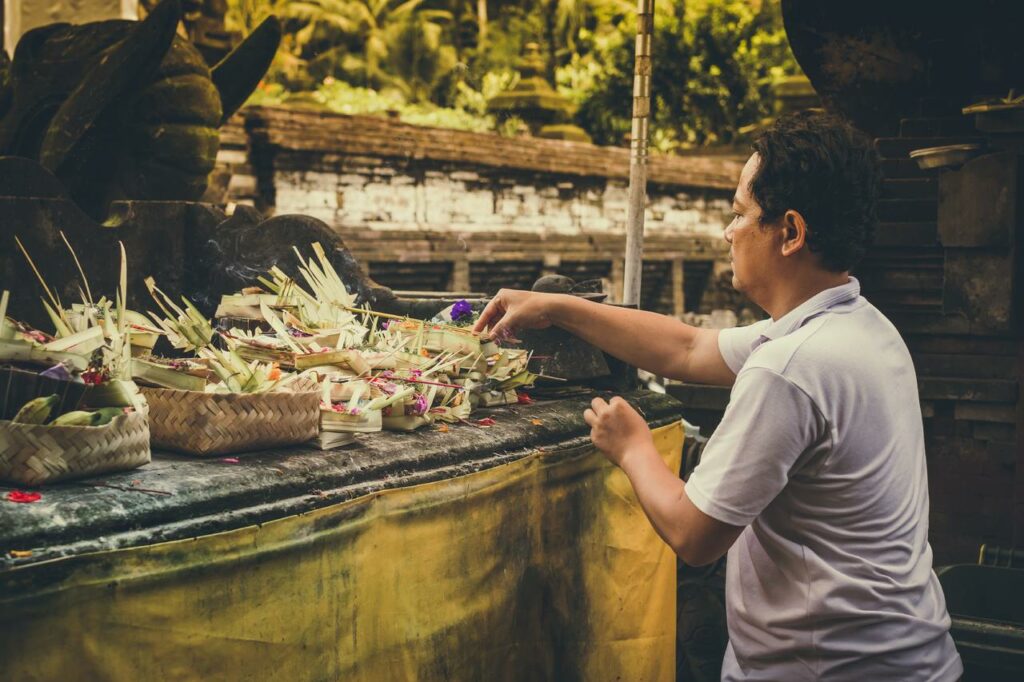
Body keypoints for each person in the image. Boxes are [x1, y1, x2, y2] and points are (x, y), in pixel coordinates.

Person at [473, 111, 963, 681]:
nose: (728, 232)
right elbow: (688, 349)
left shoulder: (790, 368)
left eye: (739, 214)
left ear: (791, 232)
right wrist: (558, 307)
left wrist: (632, 447)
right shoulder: (858, 325)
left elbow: (694, 534)